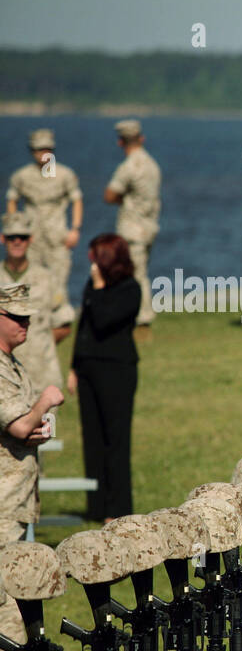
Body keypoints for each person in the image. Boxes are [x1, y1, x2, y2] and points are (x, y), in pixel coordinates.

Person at [68, 234, 141, 522]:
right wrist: (74, 367)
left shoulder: (130, 289)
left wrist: (98, 288)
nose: (91, 264)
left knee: (116, 440)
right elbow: (85, 326)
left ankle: (118, 508)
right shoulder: (93, 286)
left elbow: (103, 320)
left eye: (96, 257)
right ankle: (96, 507)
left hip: (116, 370)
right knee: (92, 438)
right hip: (87, 369)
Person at [0, 284, 63, 543]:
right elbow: (20, 427)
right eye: (16, 317)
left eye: (27, 317)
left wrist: (41, 426)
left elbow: (28, 425)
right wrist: (46, 401)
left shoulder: (13, 364)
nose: (24, 323)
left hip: (15, 501)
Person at [1, 210, 74, 398]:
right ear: (3, 239)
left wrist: (40, 344)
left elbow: (64, 322)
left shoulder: (47, 278)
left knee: (46, 428)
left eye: (23, 237)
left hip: (42, 378)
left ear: (31, 240)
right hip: (3, 383)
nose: (17, 242)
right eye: (12, 237)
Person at [6, 129, 82, 299]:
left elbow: (77, 199)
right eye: (39, 149)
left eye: (47, 149)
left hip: (57, 236)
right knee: (29, 282)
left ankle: (58, 322)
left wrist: (75, 229)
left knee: (59, 285)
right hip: (32, 237)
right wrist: (14, 227)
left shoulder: (64, 175)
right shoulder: (22, 176)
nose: (43, 154)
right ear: (32, 151)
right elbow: (12, 199)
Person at [103, 120, 161, 341]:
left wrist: (123, 198)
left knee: (136, 275)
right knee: (139, 273)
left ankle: (142, 320)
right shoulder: (152, 165)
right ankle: (136, 317)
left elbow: (109, 195)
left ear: (120, 142)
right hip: (149, 226)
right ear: (142, 138)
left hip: (132, 228)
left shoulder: (128, 167)